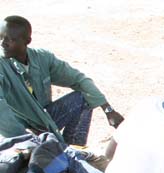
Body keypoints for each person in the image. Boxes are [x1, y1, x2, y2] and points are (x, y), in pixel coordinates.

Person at [0, 16, 123, 145]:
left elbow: (78, 79)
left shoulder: (42, 58)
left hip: (45, 119)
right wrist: (24, 138)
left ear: (27, 41)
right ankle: (60, 152)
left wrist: (108, 110)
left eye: (11, 39)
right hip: (22, 129)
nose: (2, 43)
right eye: (0, 37)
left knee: (83, 97)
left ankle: (74, 148)